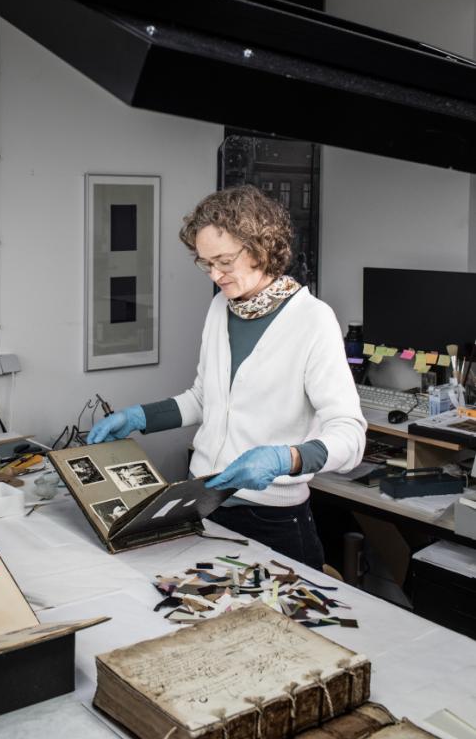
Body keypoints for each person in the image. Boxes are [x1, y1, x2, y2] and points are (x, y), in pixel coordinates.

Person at [87, 185, 366, 571]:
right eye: (205, 263)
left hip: (272, 518)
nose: (215, 275)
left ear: (260, 248)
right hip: (203, 503)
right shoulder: (222, 307)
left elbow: (350, 436)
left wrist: (288, 458)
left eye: (223, 261)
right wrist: (138, 417)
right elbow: (205, 399)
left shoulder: (312, 320)